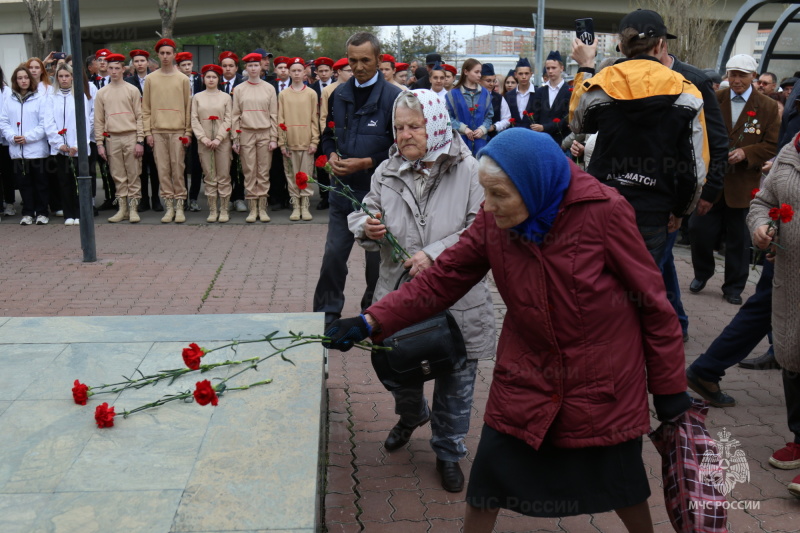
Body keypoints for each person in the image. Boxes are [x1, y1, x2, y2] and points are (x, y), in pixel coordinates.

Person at [325, 128, 690, 532]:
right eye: (486, 194)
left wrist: (669, 390)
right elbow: (442, 278)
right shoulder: (492, 219)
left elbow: (655, 306)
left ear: (533, 185)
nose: (490, 206)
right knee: (489, 480)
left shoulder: (604, 210)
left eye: (499, 194)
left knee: (622, 485)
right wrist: (370, 321)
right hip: (526, 373)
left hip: (598, 379)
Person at [347, 89, 496, 492]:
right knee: (400, 372)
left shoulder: (470, 170)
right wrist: (367, 227)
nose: (405, 135)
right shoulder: (386, 171)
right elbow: (362, 212)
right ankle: (412, 415)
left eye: (414, 126)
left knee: (457, 380)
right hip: (399, 296)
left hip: (459, 298)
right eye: (398, 127)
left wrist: (434, 254)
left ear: (436, 124)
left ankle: (448, 452)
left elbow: (480, 230)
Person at [571, 9, 708, 266]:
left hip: (604, 205)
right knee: (645, 290)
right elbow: (695, 168)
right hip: (653, 211)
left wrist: (586, 67)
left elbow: (577, 123)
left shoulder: (599, 84)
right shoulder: (687, 92)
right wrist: (680, 211)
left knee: (600, 288)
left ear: (621, 46)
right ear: (661, 45)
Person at [313, 31, 402, 329]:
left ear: (379, 59)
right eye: (353, 61)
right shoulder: (338, 94)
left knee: (377, 265)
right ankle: (326, 315)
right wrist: (331, 155)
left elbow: (401, 148)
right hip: (343, 193)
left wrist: (366, 162)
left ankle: (374, 313)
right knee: (334, 256)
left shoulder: (395, 97)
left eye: (366, 60)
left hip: (380, 196)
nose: (359, 66)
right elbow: (329, 135)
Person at [688, 54, 778, 305]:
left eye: (742, 75)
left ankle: (734, 287)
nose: (736, 80)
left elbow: (772, 145)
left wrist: (746, 153)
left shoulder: (767, 107)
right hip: (713, 180)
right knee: (698, 229)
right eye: (732, 75)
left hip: (743, 185)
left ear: (753, 77)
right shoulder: (714, 100)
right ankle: (702, 272)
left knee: (739, 240)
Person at [747, 135, 800, 498]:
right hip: (792, 278)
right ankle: (799, 438)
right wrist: (762, 227)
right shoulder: (792, 150)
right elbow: (764, 201)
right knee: (792, 355)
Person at [142, 38, 193, 224]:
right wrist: (147, 132)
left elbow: (188, 107)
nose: (165, 56)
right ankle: (168, 206)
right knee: (162, 169)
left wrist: (188, 132)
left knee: (178, 168)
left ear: (174, 55)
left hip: (178, 130)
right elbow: (145, 108)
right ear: (158, 55)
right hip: (157, 130)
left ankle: (180, 206)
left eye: (168, 53)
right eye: (162, 53)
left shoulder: (183, 79)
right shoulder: (150, 79)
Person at [94, 53, 145, 223]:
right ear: (106, 70)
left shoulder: (132, 90)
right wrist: (100, 144)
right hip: (112, 138)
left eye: (117, 68)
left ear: (123, 69)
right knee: (117, 174)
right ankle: (122, 208)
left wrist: (140, 140)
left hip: (130, 135)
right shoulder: (102, 93)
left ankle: (133, 208)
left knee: (133, 173)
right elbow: (99, 120)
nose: (114, 71)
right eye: (111, 68)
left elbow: (140, 116)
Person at [0, 65, 52, 225]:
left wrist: (27, 137)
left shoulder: (40, 98)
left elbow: (44, 124)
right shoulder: (10, 100)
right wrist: (12, 136)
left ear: (31, 79)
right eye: (20, 78)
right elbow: (4, 122)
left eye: (26, 77)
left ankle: (42, 212)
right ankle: (28, 212)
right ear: (15, 81)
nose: (23, 81)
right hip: (17, 150)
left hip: (36, 149)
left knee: (40, 183)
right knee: (24, 184)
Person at [232, 52, 278, 223]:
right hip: (246, 133)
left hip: (265, 132)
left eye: (256, 65)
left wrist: (274, 138)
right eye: (250, 65)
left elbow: (274, 115)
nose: (253, 68)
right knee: (249, 170)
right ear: (246, 68)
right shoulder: (239, 89)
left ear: (261, 67)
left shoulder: (269, 88)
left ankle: (263, 208)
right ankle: (252, 208)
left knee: (263, 171)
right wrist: (235, 139)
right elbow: (235, 114)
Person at [46, 63, 93, 226]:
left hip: (77, 147)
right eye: (61, 76)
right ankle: (69, 213)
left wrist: (77, 145)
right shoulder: (51, 97)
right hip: (61, 149)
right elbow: (49, 122)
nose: (64, 79)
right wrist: (59, 144)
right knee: (64, 180)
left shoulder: (79, 96)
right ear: (57, 78)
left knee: (79, 181)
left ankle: (80, 212)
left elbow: (85, 122)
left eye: (67, 76)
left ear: (72, 77)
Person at [278, 57, 319, 221]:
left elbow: (314, 119)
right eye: (293, 70)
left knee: (306, 174)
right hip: (290, 142)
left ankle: (305, 205)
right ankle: (295, 205)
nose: (296, 73)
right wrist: (282, 142)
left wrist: (314, 141)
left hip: (306, 140)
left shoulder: (311, 94)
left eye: (299, 70)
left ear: (304, 73)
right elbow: (280, 119)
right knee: (291, 175)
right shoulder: (283, 94)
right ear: (289, 72)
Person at [191, 63, 232, 223]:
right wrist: (203, 138)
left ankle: (224, 209)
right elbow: (194, 119)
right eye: (208, 76)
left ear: (218, 78)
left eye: (214, 77)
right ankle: (213, 209)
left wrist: (219, 138)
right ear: (203, 78)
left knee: (223, 175)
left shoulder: (226, 97)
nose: (211, 79)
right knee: (209, 176)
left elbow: (229, 119)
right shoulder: (197, 97)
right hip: (204, 142)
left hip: (222, 142)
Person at [124, 49, 161, 212]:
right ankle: (143, 199)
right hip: (136, 127)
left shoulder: (155, 79)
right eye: (136, 61)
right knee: (140, 166)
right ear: (133, 64)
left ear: (148, 63)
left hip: (153, 125)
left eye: (142, 61)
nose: (139, 64)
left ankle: (156, 199)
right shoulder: (128, 81)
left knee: (154, 166)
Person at [317, 58, 352, 211]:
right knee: (330, 168)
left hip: (348, 136)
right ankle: (329, 198)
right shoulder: (329, 90)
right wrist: (326, 136)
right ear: (339, 72)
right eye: (349, 71)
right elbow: (324, 115)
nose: (352, 73)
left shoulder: (353, 88)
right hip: (333, 134)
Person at [445, 58, 493, 155]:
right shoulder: (452, 94)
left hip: (480, 142)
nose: (479, 75)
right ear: (466, 71)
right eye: (476, 72)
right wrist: (463, 128)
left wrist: (482, 129)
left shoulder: (485, 93)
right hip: (460, 142)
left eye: (480, 72)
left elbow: (489, 116)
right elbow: (447, 118)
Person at [177, 51, 205, 213]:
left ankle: (193, 197)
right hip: (180, 125)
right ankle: (182, 197)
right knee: (180, 164)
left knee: (195, 164)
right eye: (184, 65)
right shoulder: (176, 80)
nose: (187, 68)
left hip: (197, 126)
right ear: (179, 67)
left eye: (189, 64)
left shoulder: (199, 79)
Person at [218, 51, 246, 213]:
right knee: (224, 167)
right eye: (224, 66)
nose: (227, 69)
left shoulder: (243, 83)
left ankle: (239, 197)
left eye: (231, 66)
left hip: (239, 130)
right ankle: (226, 197)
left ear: (236, 68)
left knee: (239, 165)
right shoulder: (214, 81)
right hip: (220, 131)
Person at [530, 51, 571, 143]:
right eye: (548, 68)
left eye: (553, 68)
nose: (550, 71)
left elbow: (566, 119)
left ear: (561, 68)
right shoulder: (540, 91)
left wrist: (544, 127)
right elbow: (535, 115)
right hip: (542, 139)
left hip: (561, 141)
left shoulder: (569, 91)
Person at [268, 56, 291, 212]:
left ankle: (290, 197)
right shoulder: (269, 87)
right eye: (280, 67)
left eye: (285, 67)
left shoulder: (298, 86)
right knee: (275, 167)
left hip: (291, 131)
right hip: (274, 130)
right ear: (275, 70)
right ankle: (276, 197)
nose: (283, 70)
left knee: (290, 166)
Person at [479, 64, 512, 140]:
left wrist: (494, 127)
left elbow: (507, 119)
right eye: (488, 81)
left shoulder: (499, 98)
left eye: (493, 81)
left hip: (492, 138)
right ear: (480, 81)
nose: (492, 84)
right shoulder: (472, 96)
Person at [0, 66, 16, 218]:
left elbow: (6, 116)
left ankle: (10, 203)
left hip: (4, 140)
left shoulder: (6, 92)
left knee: (7, 173)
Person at [503, 58, 535, 126]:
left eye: (526, 73)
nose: (524, 77)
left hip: (533, 134)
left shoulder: (538, 93)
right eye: (520, 74)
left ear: (531, 74)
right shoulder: (508, 95)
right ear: (515, 74)